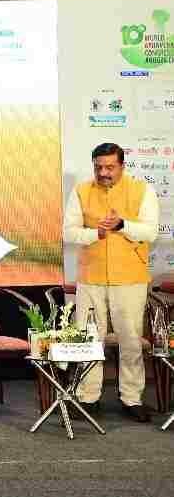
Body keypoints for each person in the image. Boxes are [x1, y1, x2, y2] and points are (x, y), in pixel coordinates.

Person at [63, 142, 159, 422]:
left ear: (122, 166)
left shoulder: (142, 190)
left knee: (130, 340)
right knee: (89, 340)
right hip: (91, 278)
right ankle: (87, 397)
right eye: (98, 167)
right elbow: (69, 232)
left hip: (130, 279)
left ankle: (132, 398)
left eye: (109, 167)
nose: (103, 173)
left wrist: (122, 225)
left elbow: (150, 232)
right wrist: (96, 233)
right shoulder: (81, 190)